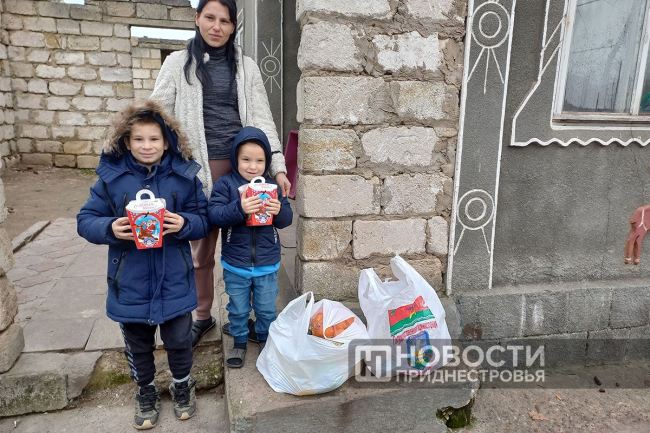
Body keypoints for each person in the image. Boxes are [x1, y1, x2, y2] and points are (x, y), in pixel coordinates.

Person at [149, 0, 291, 348]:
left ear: (233, 26)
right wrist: (155, 168)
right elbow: (157, 117)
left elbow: (262, 118)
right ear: (197, 18)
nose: (217, 26)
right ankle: (202, 315)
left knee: (250, 240)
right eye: (210, 18)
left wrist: (277, 167)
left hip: (244, 168)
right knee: (200, 249)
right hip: (196, 170)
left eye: (225, 21)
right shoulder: (177, 64)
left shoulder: (246, 67)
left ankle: (250, 316)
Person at [77, 100, 210, 429]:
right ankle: (146, 390)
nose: (146, 146)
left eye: (154, 139)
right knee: (138, 345)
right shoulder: (111, 179)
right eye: (138, 139)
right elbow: (85, 219)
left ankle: (182, 384)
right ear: (126, 141)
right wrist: (110, 228)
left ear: (167, 142)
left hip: (175, 280)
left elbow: (204, 219)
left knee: (179, 341)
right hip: (130, 282)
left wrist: (185, 224)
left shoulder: (184, 177)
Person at [208, 126, 293, 368]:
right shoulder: (226, 184)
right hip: (236, 263)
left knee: (266, 308)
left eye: (259, 161)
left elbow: (286, 220)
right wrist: (240, 208)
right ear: (235, 158)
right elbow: (214, 215)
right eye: (246, 159)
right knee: (238, 308)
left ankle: (265, 339)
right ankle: (239, 341)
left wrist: (279, 210)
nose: (253, 166)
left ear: (267, 162)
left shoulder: (272, 186)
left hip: (267, 263)